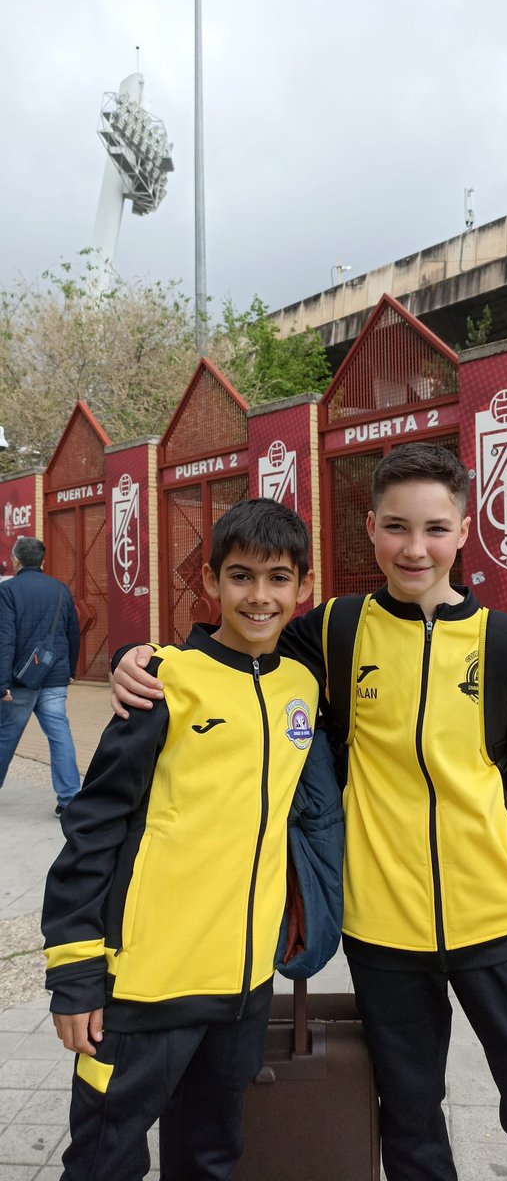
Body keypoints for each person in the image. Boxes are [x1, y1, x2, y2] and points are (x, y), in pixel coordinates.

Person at [111, 445, 507, 1181]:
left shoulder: (502, 641)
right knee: (407, 1108)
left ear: (463, 530)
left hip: (499, 913)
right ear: (370, 529)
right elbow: (236, 641)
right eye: (396, 527)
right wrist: (135, 656)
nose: (414, 547)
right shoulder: (336, 629)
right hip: (383, 925)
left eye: (434, 528)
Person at [42, 498, 343, 1181]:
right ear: (209, 583)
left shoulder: (302, 685)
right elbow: (93, 825)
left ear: (304, 590)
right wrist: (74, 974)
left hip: (241, 989)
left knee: (210, 1155)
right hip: (143, 985)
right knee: (105, 1158)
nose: (258, 596)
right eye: (240, 577)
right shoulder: (161, 682)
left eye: (277, 579)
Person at [0, 536, 81, 815]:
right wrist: (70, 669)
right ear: (43, 561)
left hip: (20, 679)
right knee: (60, 736)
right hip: (55, 675)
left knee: (6, 736)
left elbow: (5, 638)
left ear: (16, 560)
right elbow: (73, 633)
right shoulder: (61, 589)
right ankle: (70, 799)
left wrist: (1, 683)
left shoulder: (8, 591)